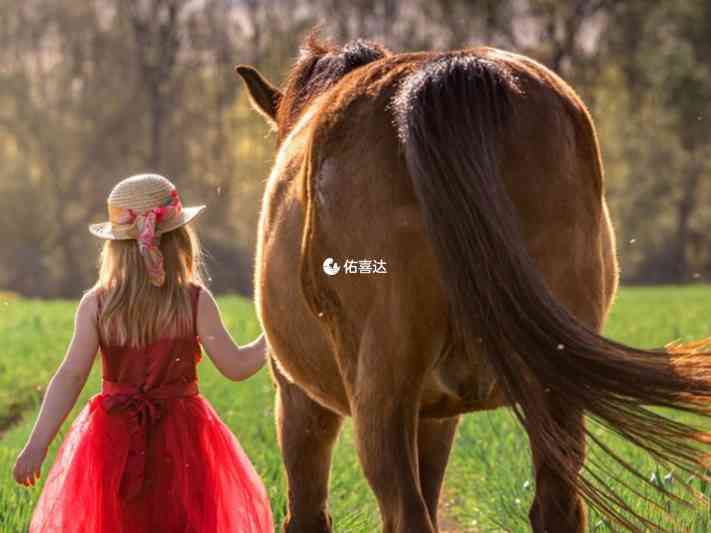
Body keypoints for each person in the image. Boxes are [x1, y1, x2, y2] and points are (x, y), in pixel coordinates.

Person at [12, 173, 274, 532]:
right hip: (184, 441)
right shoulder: (193, 300)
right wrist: (276, 333)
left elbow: (70, 376)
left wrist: (36, 446)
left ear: (114, 246)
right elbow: (238, 365)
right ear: (181, 239)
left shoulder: (98, 304)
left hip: (113, 438)